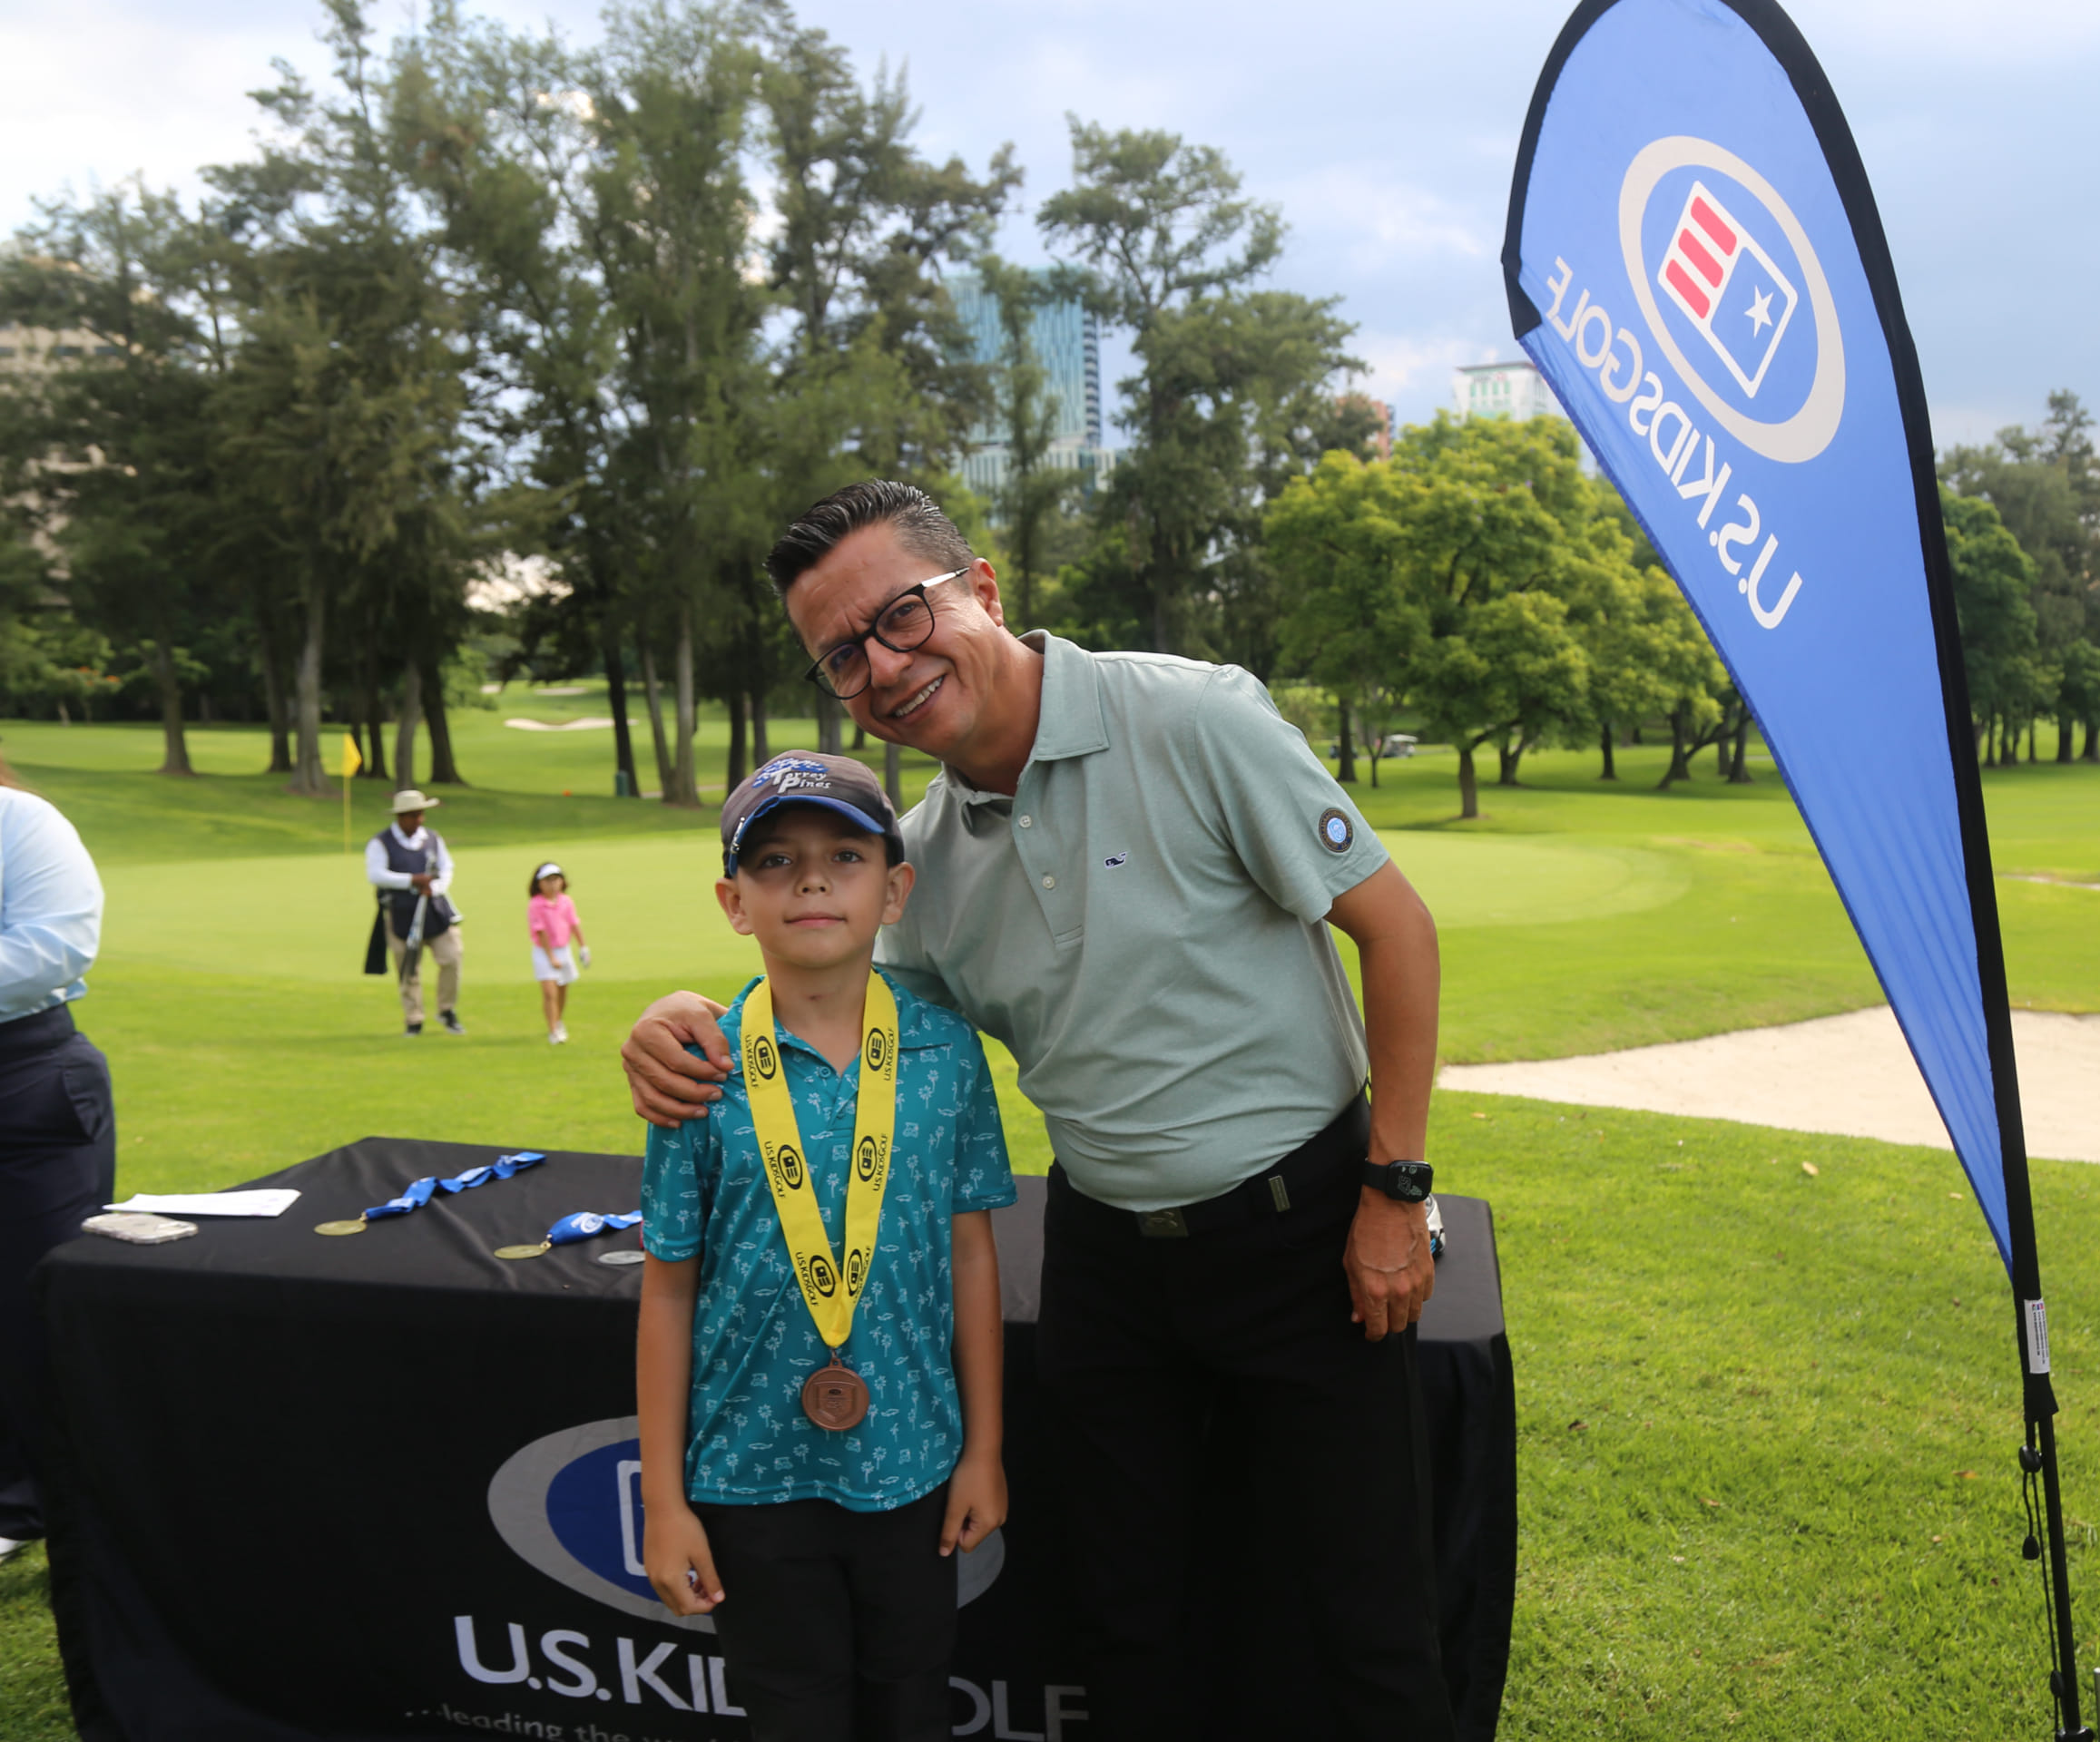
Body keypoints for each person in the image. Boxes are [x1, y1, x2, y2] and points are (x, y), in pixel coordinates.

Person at [623, 481, 1454, 1740]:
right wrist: (681, 1015)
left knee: (1366, 1613)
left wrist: (1395, 1187)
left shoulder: (1192, 716)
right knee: (1125, 1615)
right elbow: (819, 996)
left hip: (1307, 1232)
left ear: (984, 590)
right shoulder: (920, 862)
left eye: (902, 615)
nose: (882, 667)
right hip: (1109, 1265)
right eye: (841, 655)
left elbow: (1398, 931)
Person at [635, 750, 1014, 1742]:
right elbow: (667, 1291)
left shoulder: (946, 1053)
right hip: (746, 1476)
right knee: (793, 1719)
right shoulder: (698, 1067)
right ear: (735, 902)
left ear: (894, 891)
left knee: (911, 1710)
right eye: (776, 861)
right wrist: (665, 1502)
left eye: (844, 856)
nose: (811, 881)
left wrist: (983, 1450)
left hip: (913, 1463)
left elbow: (973, 1257)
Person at [0, 674, 114, 1584]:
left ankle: (98, 1515)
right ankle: (7, 1506)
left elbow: (55, 943)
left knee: (31, 1315)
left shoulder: (14, 820)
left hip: (15, 1086)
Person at [366, 788, 464, 1036]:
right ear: (401, 817)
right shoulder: (381, 842)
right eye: (414, 815)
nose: (419, 819)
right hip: (401, 912)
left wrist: (435, 887)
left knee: (452, 957)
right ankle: (414, 1019)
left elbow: (446, 867)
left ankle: (446, 1010)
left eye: (421, 814)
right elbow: (376, 874)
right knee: (408, 968)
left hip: (435, 909)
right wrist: (412, 880)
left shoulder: (432, 838)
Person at [526, 862, 590, 1044]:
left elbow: (574, 924)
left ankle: (558, 1021)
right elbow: (541, 932)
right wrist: (551, 957)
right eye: (548, 880)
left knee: (562, 990)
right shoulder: (536, 904)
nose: (553, 884)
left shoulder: (566, 901)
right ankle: (553, 1030)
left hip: (564, 949)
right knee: (549, 993)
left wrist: (583, 947)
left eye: (556, 879)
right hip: (544, 952)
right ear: (539, 883)